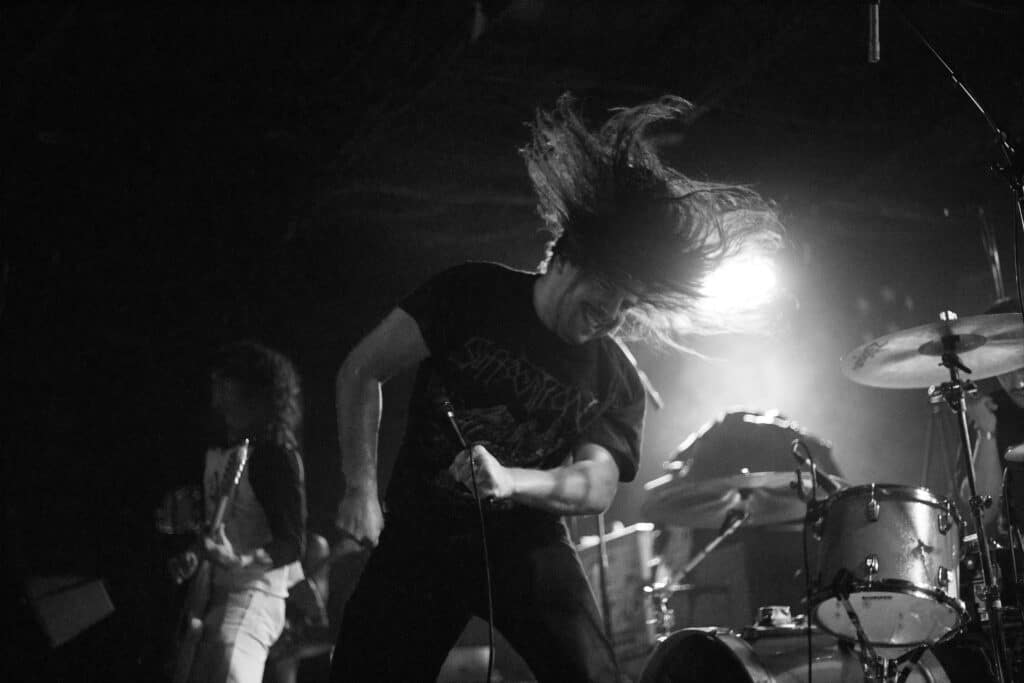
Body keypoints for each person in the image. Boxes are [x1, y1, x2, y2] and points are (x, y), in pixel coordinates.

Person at [330, 94, 784, 682]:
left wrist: (511, 480)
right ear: (568, 258)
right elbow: (362, 370)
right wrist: (359, 489)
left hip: (526, 541)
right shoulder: (470, 294)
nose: (613, 315)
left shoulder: (614, 375)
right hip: (422, 530)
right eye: (608, 294)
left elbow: (595, 484)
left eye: (628, 305)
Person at [186, 340, 308, 683]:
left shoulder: (274, 456)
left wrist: (239, 560)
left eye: (225, 384)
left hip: (252, 600)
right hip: (214, 599)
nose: (217, 397)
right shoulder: (226, 451)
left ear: (254, 393)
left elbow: (291, 544)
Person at [963, 298, 1024, 534]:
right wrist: (986, 433)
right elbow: (980, 515)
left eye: (1022, 365)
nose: (1017, 382)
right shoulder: (990, 409)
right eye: (1005, 369)